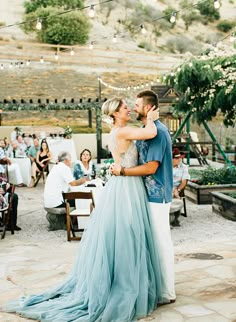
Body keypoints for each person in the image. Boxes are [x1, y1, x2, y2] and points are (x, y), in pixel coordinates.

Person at [3, 98, 164, 321]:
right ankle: (127, 283)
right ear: (116, 113)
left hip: (123, 185)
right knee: (129, 232)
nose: (128, 110)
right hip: (127, 187)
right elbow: (150, 133)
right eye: (125, 108)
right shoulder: (121, 132)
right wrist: (152, 118)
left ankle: (129, 278)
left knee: (125, 232)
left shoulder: (118, 131)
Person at [111, 89, 176, 304]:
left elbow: (150, 167)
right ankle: (154, 287)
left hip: (157, 195)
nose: (133, 108)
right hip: (143, 194)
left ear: (148, 108)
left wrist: (122, 171)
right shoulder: (146, 129)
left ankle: (167, 291)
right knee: (150, 243)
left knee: (161, 241)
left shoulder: (158, 131)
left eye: (137, 105)